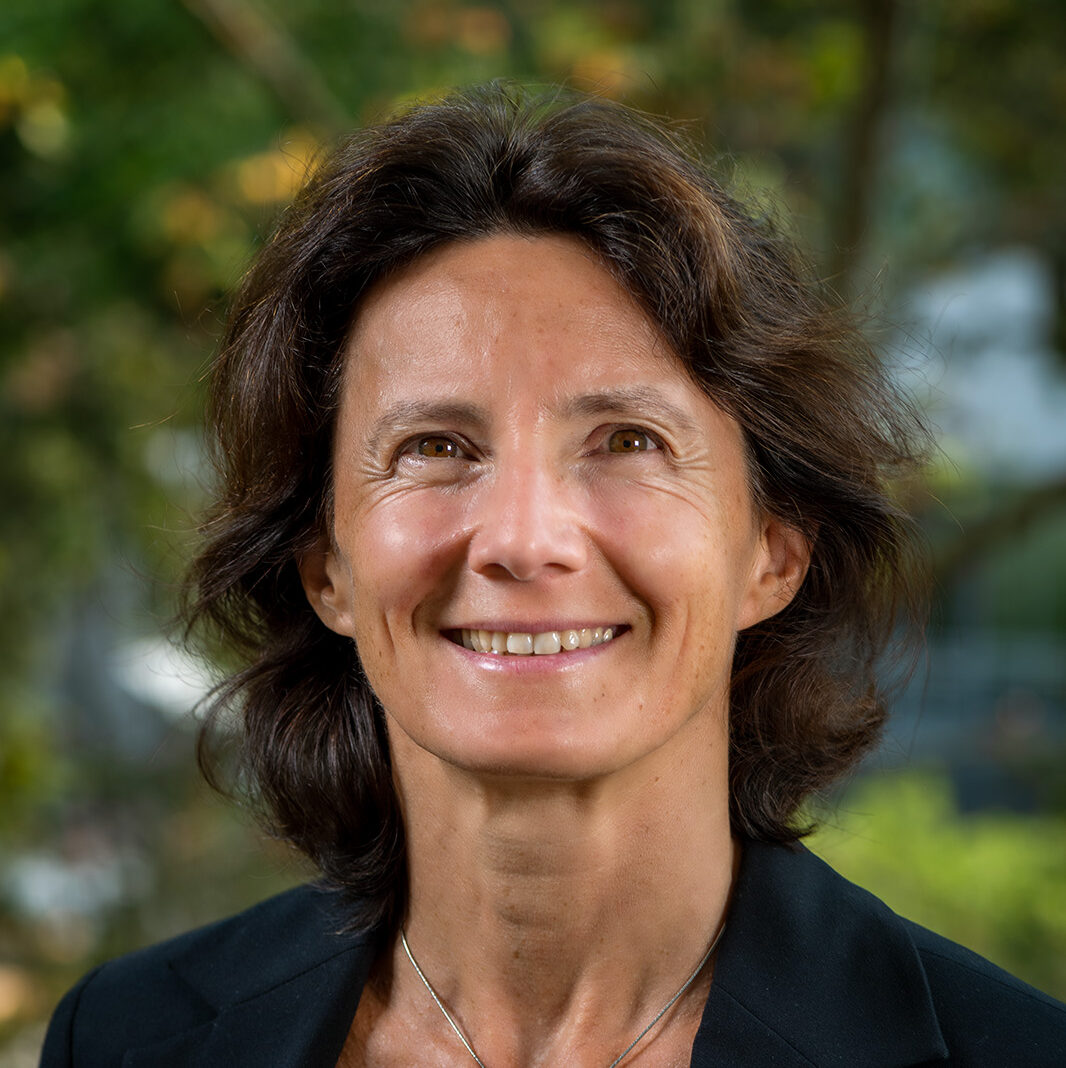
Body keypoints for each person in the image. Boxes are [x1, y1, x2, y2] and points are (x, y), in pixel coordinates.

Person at [41, 83, 1065, 1067]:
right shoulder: (125, 1040)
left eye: (626, 440)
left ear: (772, 553)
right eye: (434, 448)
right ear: (326, 569)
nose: (523, 541)